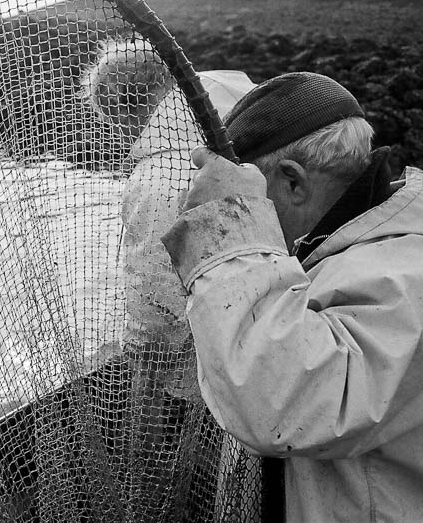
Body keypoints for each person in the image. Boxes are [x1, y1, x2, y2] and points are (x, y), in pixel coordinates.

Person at [162, 71, 423, 521]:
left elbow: (277, 404)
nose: (254, 210)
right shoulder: (356, 244)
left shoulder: (404, 277)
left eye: (255, 194)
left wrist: (231, 227)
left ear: (294, 182)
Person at [84, 38, 260, 519]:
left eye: (113, 122)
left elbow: (153, 289)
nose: (119, 135)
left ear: (124, 104)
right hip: (254, 327)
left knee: (150, 434)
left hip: (199, 349)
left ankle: (154, 506)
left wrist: (142, 354)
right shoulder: (223, 113)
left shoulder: (159, 176)